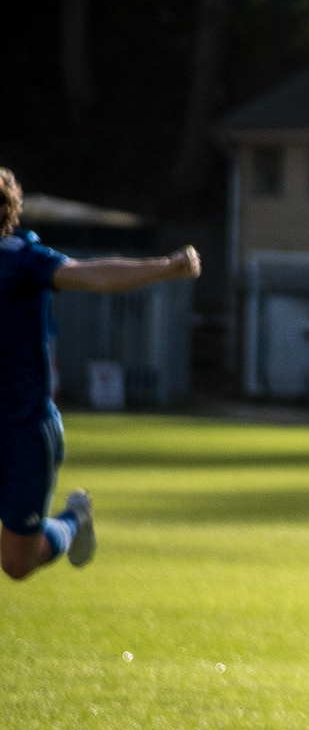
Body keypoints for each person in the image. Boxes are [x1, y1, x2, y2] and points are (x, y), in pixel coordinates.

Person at [0, 166, 202, 581]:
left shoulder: (20, 260)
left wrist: (166, 267)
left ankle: (73, 520)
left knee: (17, 563)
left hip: (22, 429)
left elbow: (90, 275)